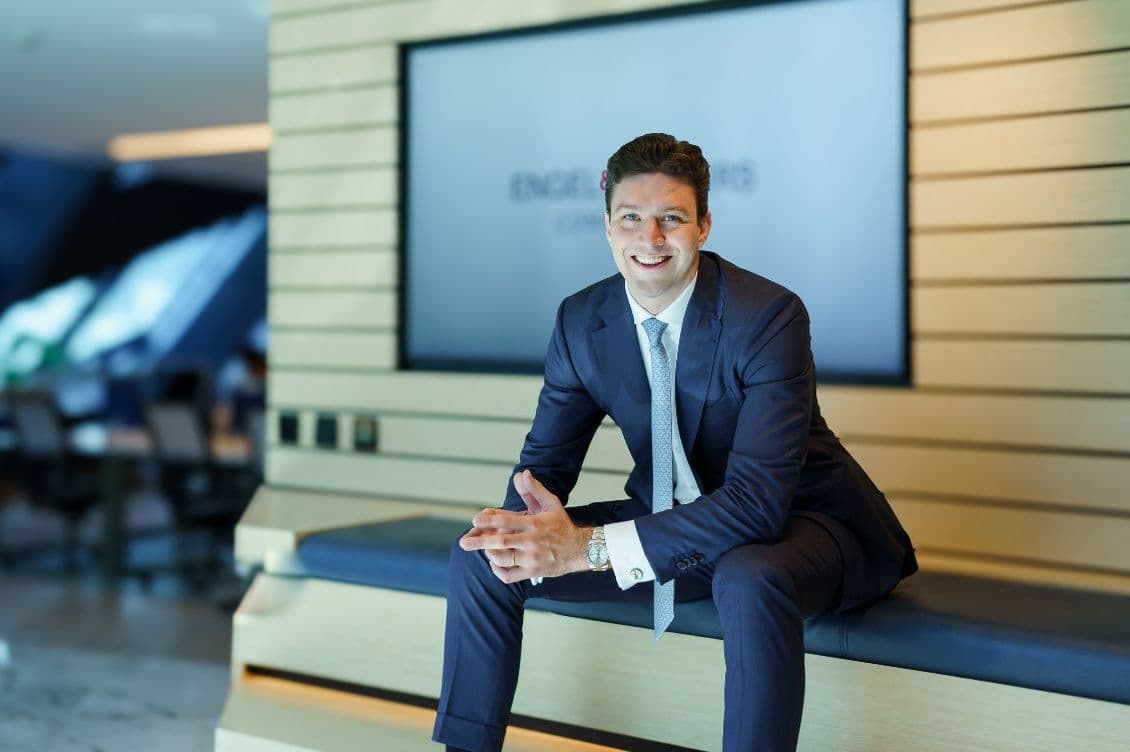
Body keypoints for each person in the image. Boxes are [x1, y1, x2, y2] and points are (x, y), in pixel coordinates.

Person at [432, 133, 918, 752]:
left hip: (805, 523)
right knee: (484, 557)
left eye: (672, 219)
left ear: (704, 225)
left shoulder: (769, 317)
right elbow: (546, 463)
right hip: (673, 521)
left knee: (749, 573)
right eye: (631, 218)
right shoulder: (582, 320)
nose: (650, 239)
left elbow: (756, 505)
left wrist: (589, 548)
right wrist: (526, 537)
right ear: (608, 228)